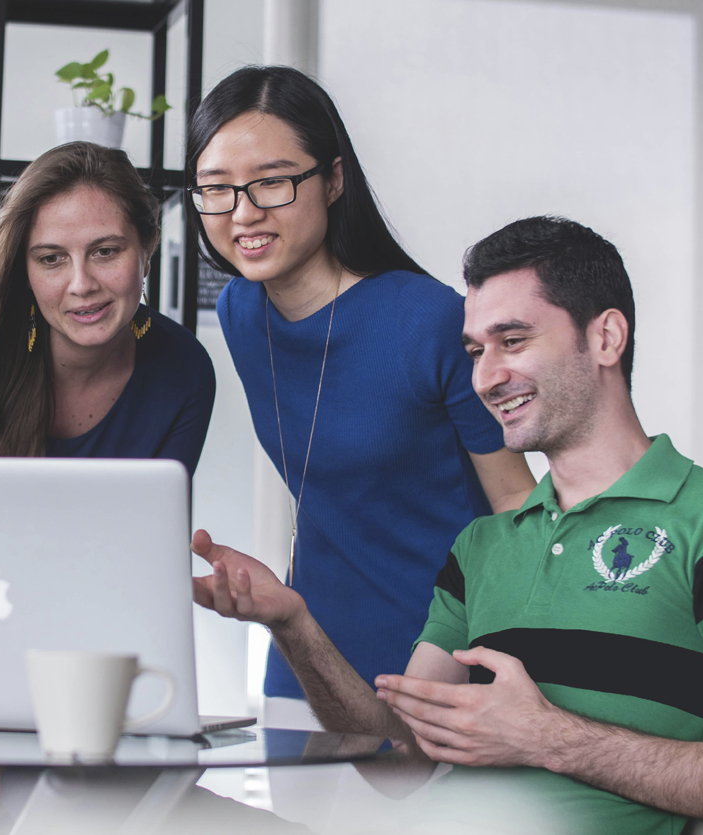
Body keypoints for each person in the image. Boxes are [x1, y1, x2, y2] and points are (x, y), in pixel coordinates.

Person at [193, 216, 703, 833]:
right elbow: (400, 763)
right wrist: (292, 622)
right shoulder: (481, 545)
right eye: (476, 351)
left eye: (513, 341)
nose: (485, 377)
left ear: (607, 338)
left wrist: (547, 739)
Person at [186, 65, 536, 722]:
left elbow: (514, 503)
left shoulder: (427, 320)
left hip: (441, 663)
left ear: (334, 178)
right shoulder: (240, 311)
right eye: (217, 189)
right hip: (306, 660)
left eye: (272, 181)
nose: (243, 212)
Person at [0, 141, 215, 476]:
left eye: (105, 251)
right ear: (24, 269)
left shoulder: (185, 370)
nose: (81, 284)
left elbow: (156, 523)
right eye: (51, 259)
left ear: (147, 250)